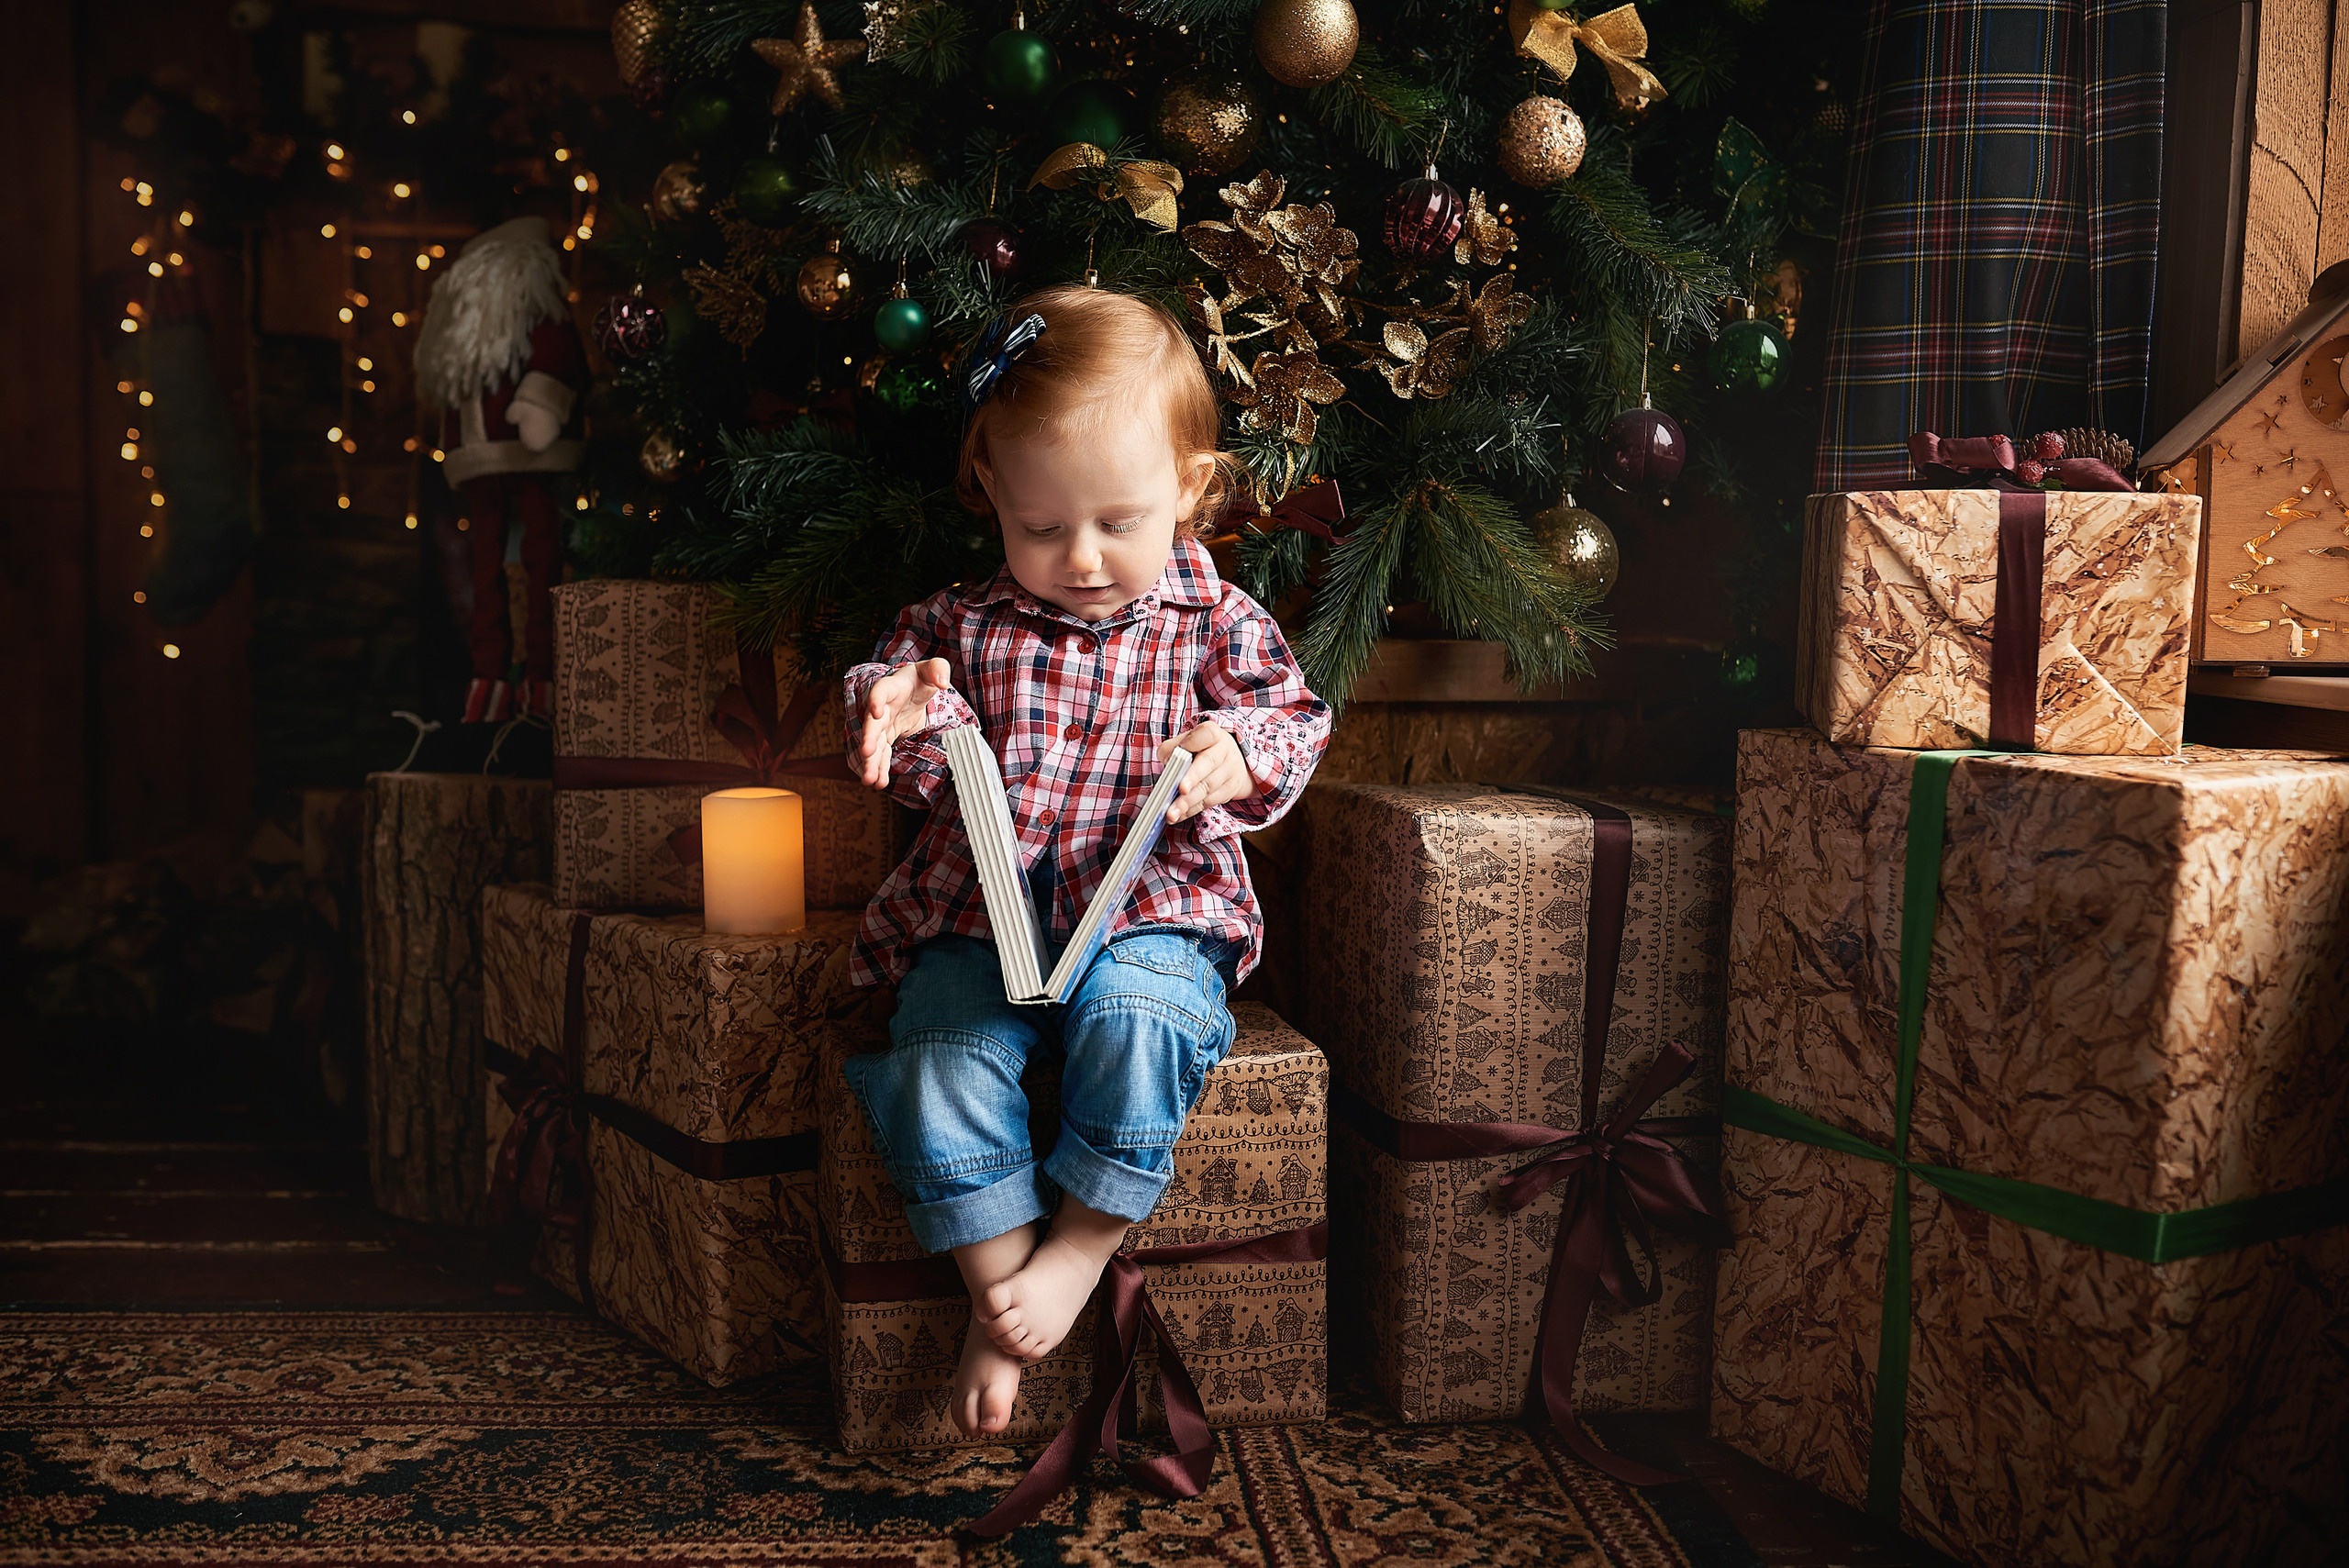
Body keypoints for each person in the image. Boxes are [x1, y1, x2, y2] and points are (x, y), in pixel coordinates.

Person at [839, 285, 1330, 1439]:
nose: (1086, 556)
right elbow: (895, 698)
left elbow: (1291, 716)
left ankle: (1072, 1250)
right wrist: (894, 710)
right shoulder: (960, 621)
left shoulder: (1213, 614)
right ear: (993, 498)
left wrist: (1235, 751)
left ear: (1191, 491)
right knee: (934, 1060)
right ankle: (994, 1289)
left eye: (1119, 519)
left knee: (1143, 1022)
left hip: (1148, 907)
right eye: (1043, 528)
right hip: (981, 914)